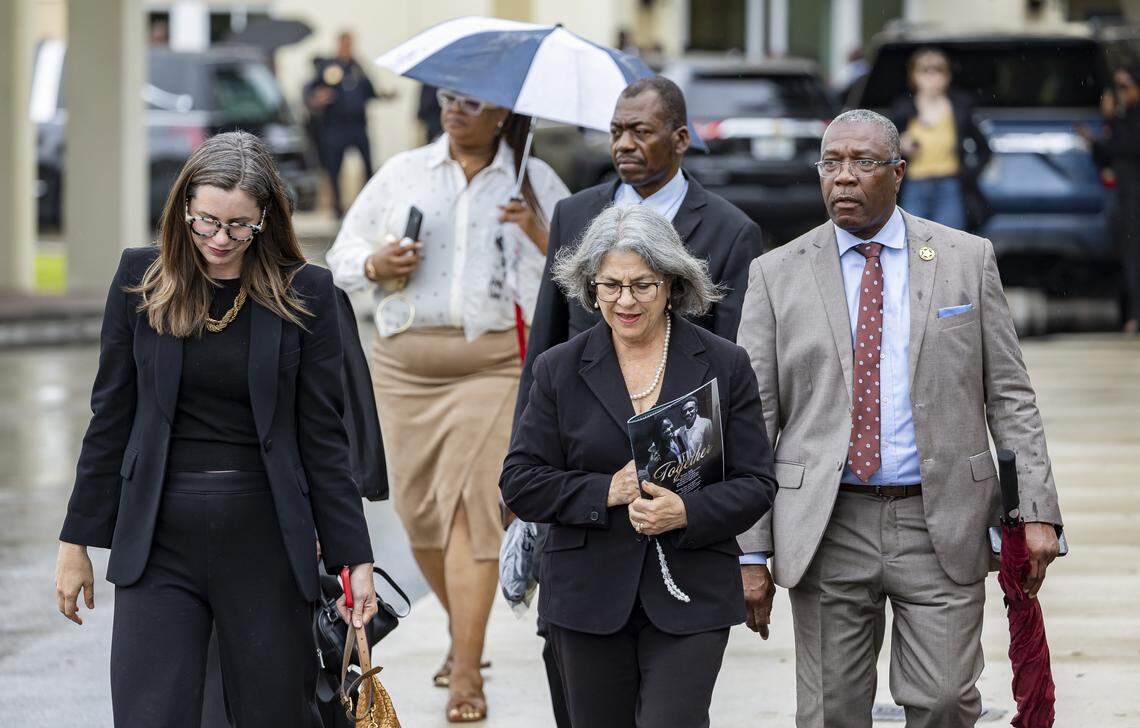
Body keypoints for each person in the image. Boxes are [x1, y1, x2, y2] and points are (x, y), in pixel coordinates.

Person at [736, 109, 1063, 727]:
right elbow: (753, 421)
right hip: (827, 521)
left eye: (863, 162)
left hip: (942, 518)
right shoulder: (776, 274)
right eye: (831, 163)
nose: (844, 177)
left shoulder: (966, 259)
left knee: (945, 700)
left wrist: (1037, 510)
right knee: (830, 711)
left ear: (898, 172)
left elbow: (1011, 397)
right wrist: (750, 550)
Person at [53, 131, 377, 727]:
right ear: (183, 208)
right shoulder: (140, 277)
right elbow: (111, 419)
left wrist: (353, 557)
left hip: (267, 540)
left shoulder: (306, 291)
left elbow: (324, 438)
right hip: (158, 540)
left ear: (266, 220)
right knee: (150, 714)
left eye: (239, 226)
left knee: (272, 715)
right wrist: (76, 542)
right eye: (206, 221)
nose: (220, 239)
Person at [325, 88, 569, 723]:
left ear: (503, 112)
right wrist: (376, 263)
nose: (455, 109)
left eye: (472, 102)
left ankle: (466, 670)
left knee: (474, 514)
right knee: (419, 515)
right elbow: (340, 257)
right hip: (404, 367)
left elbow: (584, 271)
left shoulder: (533, 180)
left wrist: (536, 230)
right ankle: (466, 632)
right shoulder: (404, 172)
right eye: (449, 97)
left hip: (493, 366)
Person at [501, 204, 777, 728]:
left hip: (692, 593)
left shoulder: (724, 363)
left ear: (672, 283)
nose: (625, 301)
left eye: (642, 285)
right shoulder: (558, 368)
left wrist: (686, 513)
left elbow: (757, 482)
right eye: (610, 286)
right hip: (586, 597)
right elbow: (520, 481)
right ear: (591, 287)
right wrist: (607, 490)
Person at [518, 75, 762, 424]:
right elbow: (546, 337)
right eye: (616, 132)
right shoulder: (573, 215)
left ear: (680, 139)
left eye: (641, 132)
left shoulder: (731, 231)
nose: (623, 144)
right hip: (580, 426)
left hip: (675, 430)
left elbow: (731, 361)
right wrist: (523, 438)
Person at [888, 48, 990, 230]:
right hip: (914, 185)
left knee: (950, 240)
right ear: (913, 75)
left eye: (938, 69)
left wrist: (968, 175)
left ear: (947, 75)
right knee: (913, 239)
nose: (932, 76)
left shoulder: (960, 107)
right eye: (925, 69)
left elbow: (984, 149)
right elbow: (884, 148)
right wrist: (900, 146)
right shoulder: (902, 108)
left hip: (949, 185)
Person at [1081, 64, 1140, 334]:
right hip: (1125, 197)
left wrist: (1112, 121)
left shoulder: (1131, 117)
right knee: (1126, 254)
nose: (1119, 94)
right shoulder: (1122, 118)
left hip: (1134, 196)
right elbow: (1106, 156)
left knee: (1133, 254)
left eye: (1124, 87)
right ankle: (1129, 313)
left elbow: (1128, 147)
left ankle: (1134, 314)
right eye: (1115, 88)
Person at [305, 31, 389, 218]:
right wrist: (317, 98)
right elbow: (310, 90)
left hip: (358, 125)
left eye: (350, 44)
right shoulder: (328, 66)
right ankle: (337, 208)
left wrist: (384, 95)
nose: (347, 47)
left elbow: (370, 90)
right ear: (339, 44)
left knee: (368, 166)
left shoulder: (357, 67)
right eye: (345, 44)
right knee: (335, 168)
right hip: (336, 126)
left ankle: (370, 204)